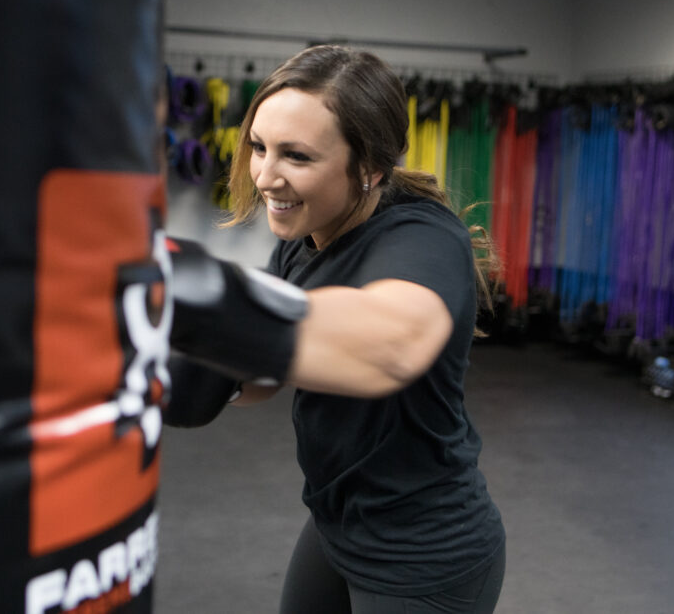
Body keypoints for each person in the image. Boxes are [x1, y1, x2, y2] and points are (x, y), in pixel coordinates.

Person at [168, 44, 506, 614]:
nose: (266, 175)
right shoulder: (304, 244)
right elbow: (264, 380)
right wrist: (190, 363)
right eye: (258, 147)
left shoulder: (422, 237)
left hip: (426, 552)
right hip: (337, 518)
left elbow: (390, 345)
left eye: (296, 156)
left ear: (370, 167)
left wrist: (216, 310)